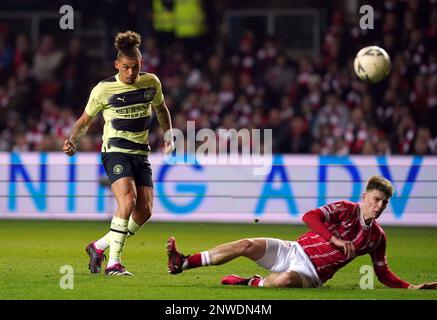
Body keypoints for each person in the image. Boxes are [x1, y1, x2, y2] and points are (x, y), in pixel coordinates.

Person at [167, 175, 437, 289]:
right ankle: (183, 262)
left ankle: (250, 282)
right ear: (365, 196)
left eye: (384, 203)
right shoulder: (345, 208)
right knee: (247, 244)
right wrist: (334, 239)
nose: (379, 206)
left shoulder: (377, 237)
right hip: (294, 249)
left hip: (312, 273)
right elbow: (309, 216)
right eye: (376, 200)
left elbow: (382, 272)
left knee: (283, 281)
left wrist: (409, 286)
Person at [63, 31, 174, 276]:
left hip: (140, 153)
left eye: (135, 67)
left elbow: (161, 110)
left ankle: (98, 246)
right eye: (126, 68)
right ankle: (114, 263)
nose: (131, 73)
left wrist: (169, 136)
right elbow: (84, 121)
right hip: (115, 151)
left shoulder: (151, 82)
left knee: (145, 211)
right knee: (128, 200)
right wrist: (72, 141)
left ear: (141, 64)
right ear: (117, 65)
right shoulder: (103, 89)